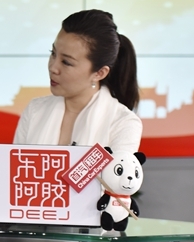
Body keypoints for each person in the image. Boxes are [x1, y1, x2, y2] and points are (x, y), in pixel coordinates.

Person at [14, 9, 142, 153]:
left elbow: (119, 168)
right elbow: (15, 165)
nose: (53, 68)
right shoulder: (35, 111)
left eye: (66, 62)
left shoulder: (123, 123)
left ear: (99, 73)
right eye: (53, 53)